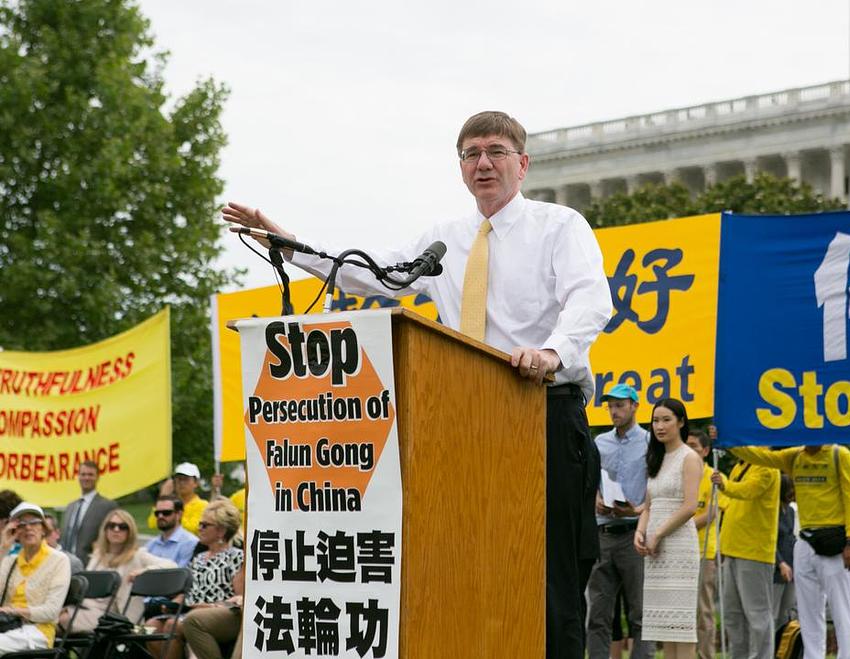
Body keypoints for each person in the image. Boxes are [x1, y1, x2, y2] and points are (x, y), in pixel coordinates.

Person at [222, 110, 612, 658]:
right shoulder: (445, 241)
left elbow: (590, 299)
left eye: (496, 151)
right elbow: (375, 273)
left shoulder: (560, 226)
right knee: (468, 569)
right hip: (465, 420)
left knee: (550, 580)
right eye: (470, 154)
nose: (483, 163)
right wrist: (289, 244)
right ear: (460, 169)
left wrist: (550, 352)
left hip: (542, 414)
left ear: (522, 164)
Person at [728, 443, 850, 659]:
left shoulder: (840, 455)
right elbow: (758, 456)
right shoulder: (795, 456)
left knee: (842, 612)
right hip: (805, 542)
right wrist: (727, 438)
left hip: (835, 543)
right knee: (808, 614)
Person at [587, 384, 651, 659]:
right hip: (603, 533)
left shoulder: (650, 442)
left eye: (620, 405)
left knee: (639, 613)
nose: (614, 410)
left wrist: (636, 510)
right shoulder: (600, 442)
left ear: (635, 406)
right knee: (599, 614)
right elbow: (588, 481)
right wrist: (596, 498)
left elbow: (657, 486)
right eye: (611, 405)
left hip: (634, 535)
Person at [634, 398, 701, 659]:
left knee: (681, 626)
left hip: (679, 546)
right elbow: (648, 506)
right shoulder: (655, 458)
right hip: (655, 550)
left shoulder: (690, 457)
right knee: (664, 627)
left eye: (666, 420)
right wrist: (640, 532)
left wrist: (658, 533)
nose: (659, 426)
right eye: (655, 420)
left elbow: (690, 506)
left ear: (681, 422)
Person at [148, 499, 244, 659]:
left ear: (220, 531)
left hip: (221, 614)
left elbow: (241, 600)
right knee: (151, 626)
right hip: (190, 610)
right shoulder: (198, 558)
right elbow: (188, 591)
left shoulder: (236, 557)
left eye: (205, 525)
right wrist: (173, 604)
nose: (199, 528)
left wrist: (210, 606)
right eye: (200, 524)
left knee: (174, 625)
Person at [710, 451, 780, 659]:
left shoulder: (767, 466)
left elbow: (748, 491)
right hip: (732, 550)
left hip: (754, 553)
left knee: (757, 616)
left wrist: (724, 484)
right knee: (733, 616)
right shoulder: (740, 467)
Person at [58, 509, 175, 633]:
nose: (116, 530)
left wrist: (145, 571)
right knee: (52, 617)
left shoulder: (137, 556)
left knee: (61, 620)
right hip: (86, 607)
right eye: (111, 526)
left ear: (130, 531)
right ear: (105, 530)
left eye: (122, 527)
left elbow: (171, 565)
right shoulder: (98, 556)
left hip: (115, 615)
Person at [0, 502, 71, 653]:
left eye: (33, 522)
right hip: (7, 627)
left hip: (38, 631)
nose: (28, 528)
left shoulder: (59, 560)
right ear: (15, 531)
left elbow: (51, 612)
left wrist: (14, 611)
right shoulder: (10, 560)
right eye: (21, 524)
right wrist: (4, 547)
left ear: (43, 528)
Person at [685, 429, 725, 659]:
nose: (689, 451)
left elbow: (711, 513)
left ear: (706, 450)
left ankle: (707, 655)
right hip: (681, 554)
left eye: (694, 447)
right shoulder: (681, 475)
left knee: (704, 611)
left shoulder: (713, 476)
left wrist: (680, 525)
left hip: (703, 553)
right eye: (686, 445)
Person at [59, 460, 117, 565]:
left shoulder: (107, 506)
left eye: (90, 475)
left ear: (97, 477)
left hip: (92, 565)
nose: (86, 478)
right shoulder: (70, 507)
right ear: (78, 476)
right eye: (83, 474)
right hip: (66, 565)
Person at [147, 463, 208, 534]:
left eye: (186, 479)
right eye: (179, 479)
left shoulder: (203, 505)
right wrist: (162, 497)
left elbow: (193, 528)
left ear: (196, 483)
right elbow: (152, 524)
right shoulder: (169, 504)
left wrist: (172, 517)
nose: (181, 483)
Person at [145, 496, 199, 568]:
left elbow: (180, 574)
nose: (160, 516)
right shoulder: (151, 544)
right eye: (157, 513)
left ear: (179, 515)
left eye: (166, 513)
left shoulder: (190, 543)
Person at [773, 473, 797, 626]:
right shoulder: (772, 511)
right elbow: (771, 541)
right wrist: (780, 563)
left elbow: (790, 536)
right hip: (776, 569)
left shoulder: (790, 511)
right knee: (773, 612)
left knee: (786, 612)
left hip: (791, 566)